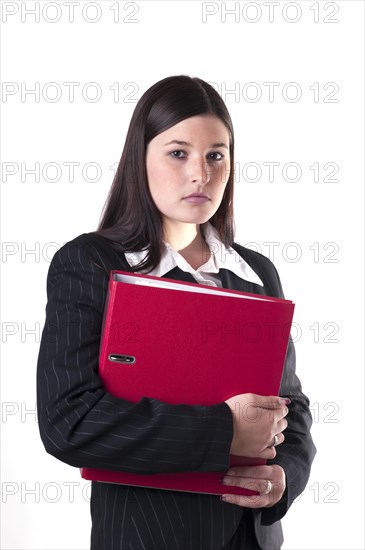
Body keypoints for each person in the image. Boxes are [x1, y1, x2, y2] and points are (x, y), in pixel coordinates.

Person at [36, 75, 316, 550]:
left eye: (216, 155)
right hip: (151, 536)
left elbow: (291, 408)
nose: (200, 174)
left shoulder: (256, 272)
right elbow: (70, 423)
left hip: (253, 539)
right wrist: (226, 432)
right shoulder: (90, 264)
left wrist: (284, 476)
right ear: (140, 159)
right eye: (178, 152)